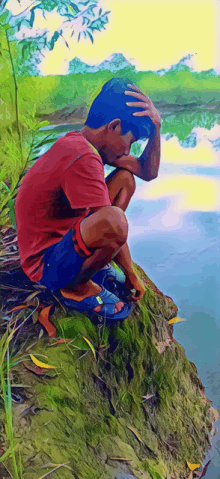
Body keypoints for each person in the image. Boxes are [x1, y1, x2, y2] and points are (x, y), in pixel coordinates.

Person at [15, 78, 162, 324]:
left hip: (61, 239)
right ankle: (75, 287)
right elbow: (111, 226)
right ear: (114, 126)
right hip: (44, 266)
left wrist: (157, 129)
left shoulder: (84, 143)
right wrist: (131, 274)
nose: (128, 152)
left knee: (125, 179)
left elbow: (148, 171)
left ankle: (88, 263)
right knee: (114, 221)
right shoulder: (82, 156)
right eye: (131, 141)